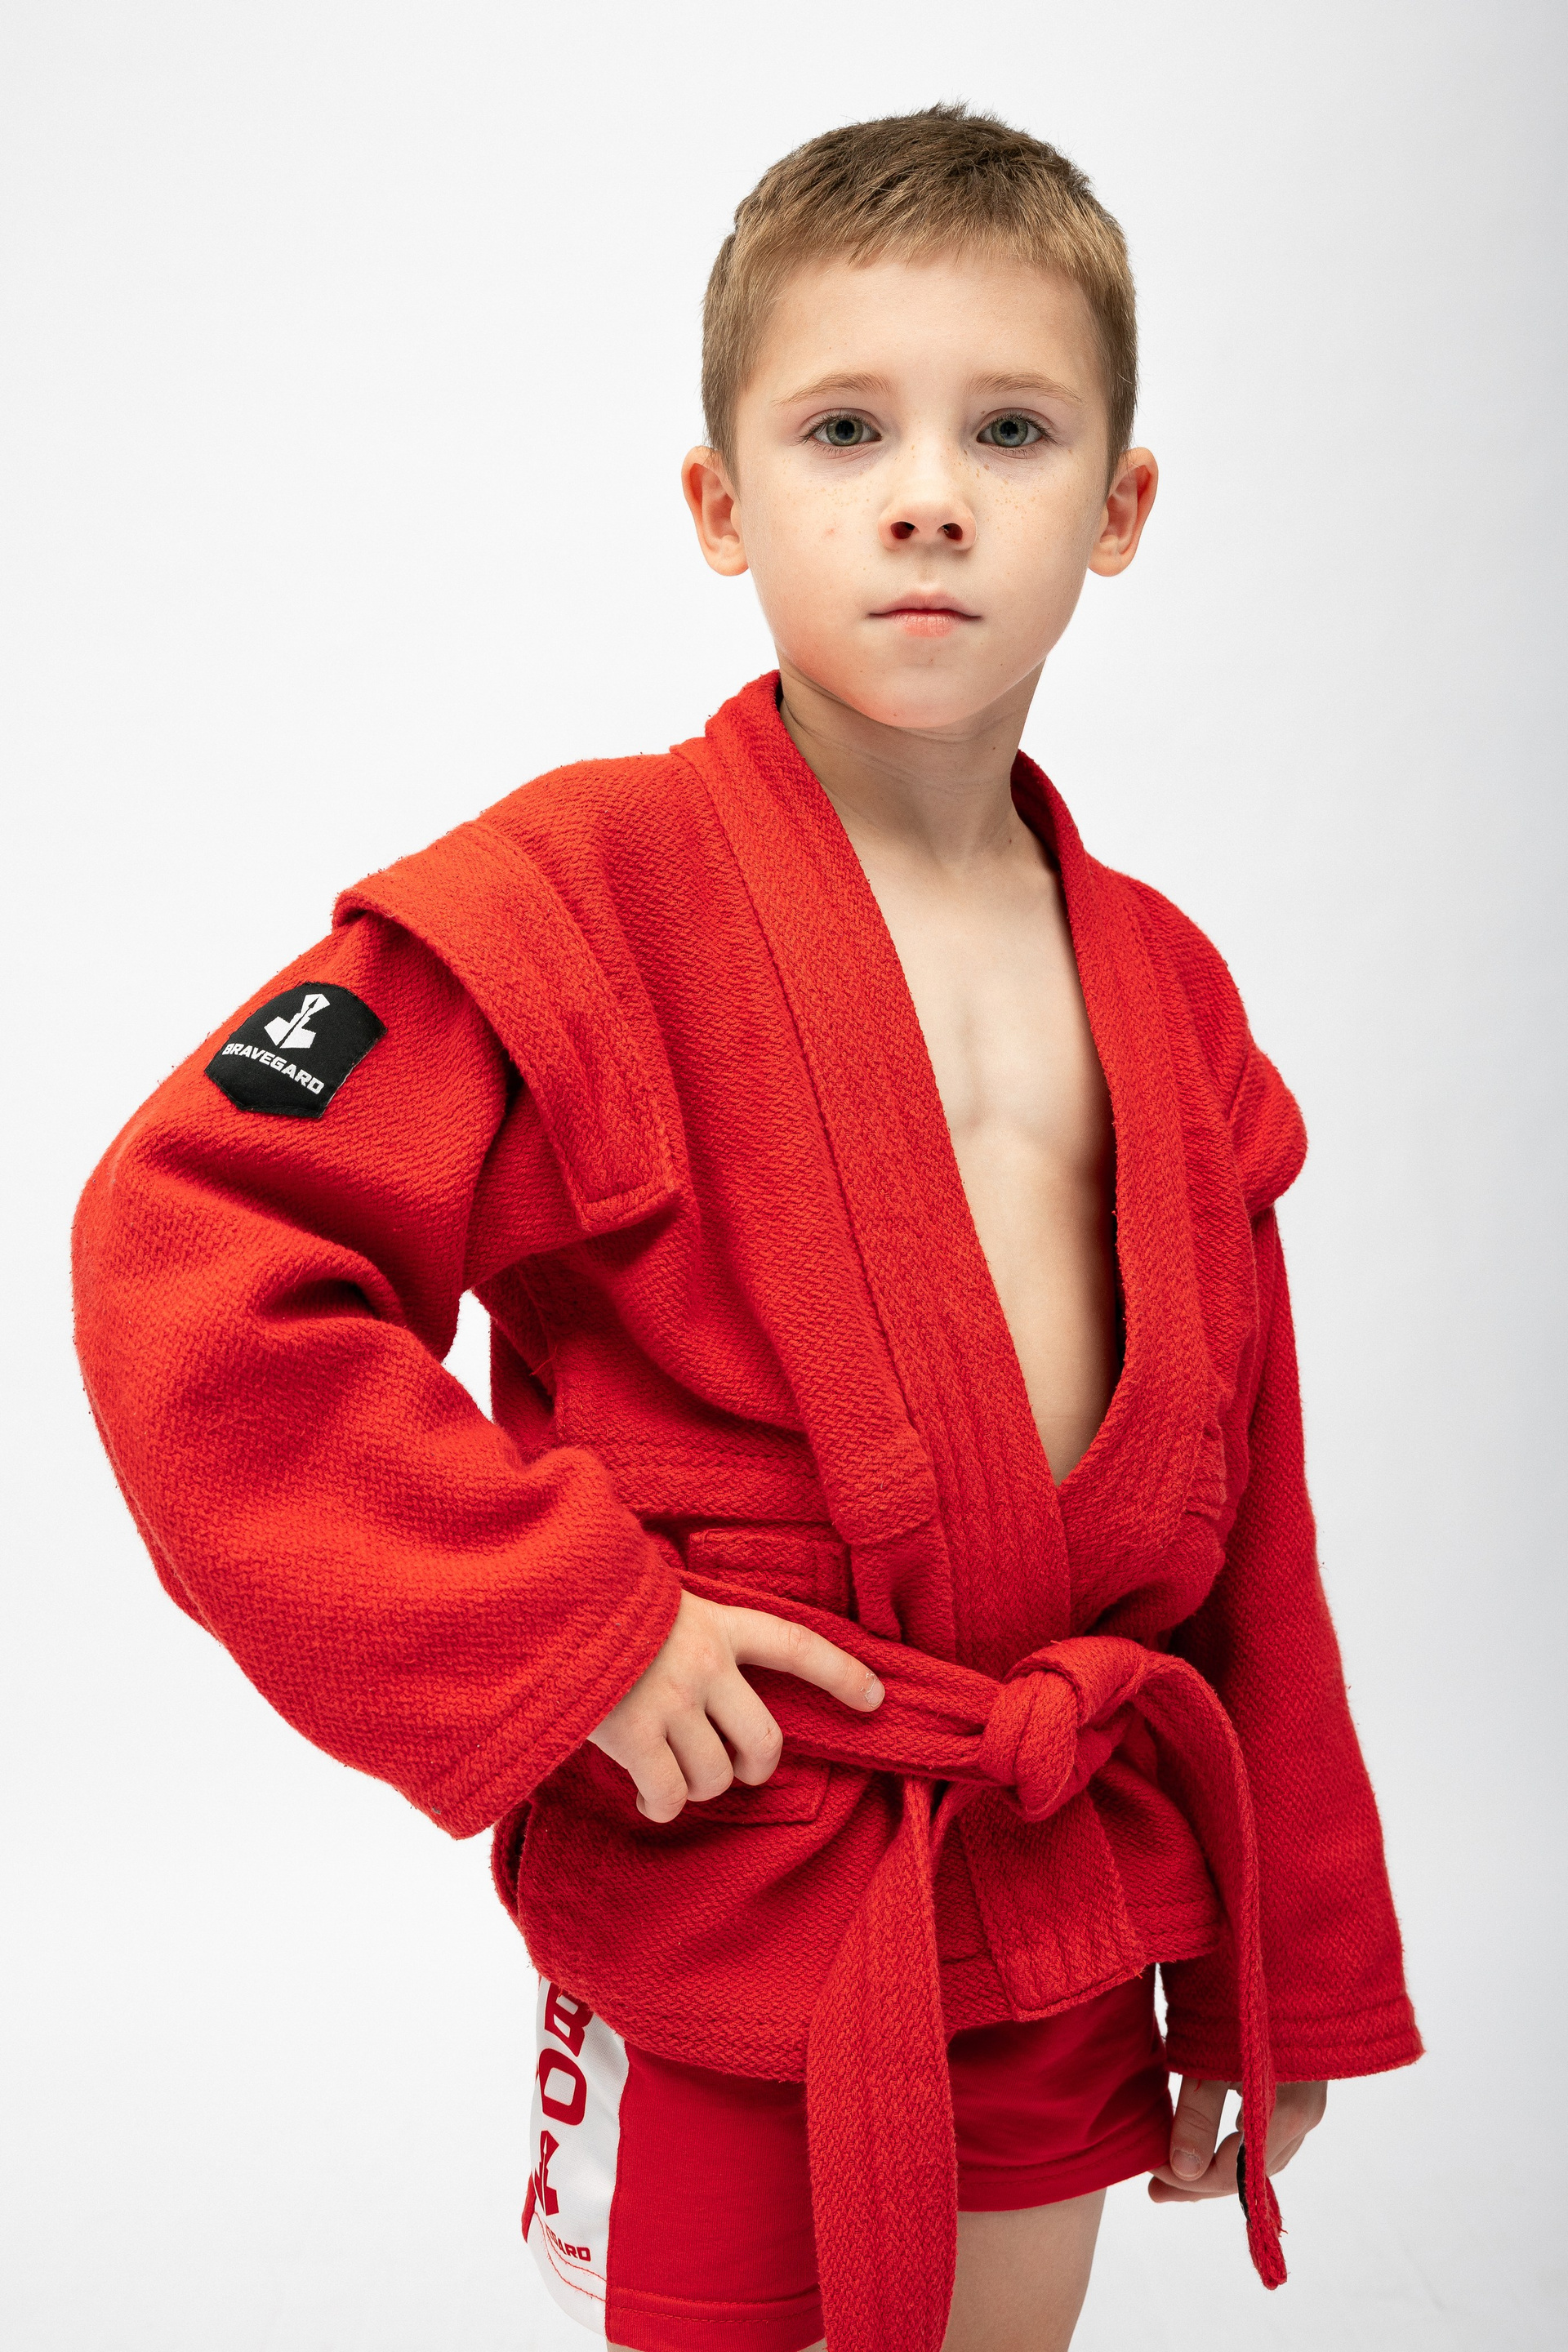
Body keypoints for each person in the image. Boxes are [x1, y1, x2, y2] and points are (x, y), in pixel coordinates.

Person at [72, 105, 1421, 2352]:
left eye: (1011, 429)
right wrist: (563, 1636)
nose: (928, 493)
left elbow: (1247, 1513)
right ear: (721, 503)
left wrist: (1288, 1960)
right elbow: (191, 1249)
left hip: (1057, 1876)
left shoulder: (1171, 984)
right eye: (844, 428)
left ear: (1120, 508)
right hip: (745, 1868)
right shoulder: (580, 895)